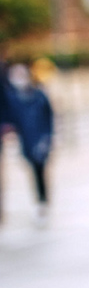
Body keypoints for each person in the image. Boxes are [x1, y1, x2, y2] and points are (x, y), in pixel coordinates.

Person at [5, 62, 54, 221]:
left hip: (41, 140)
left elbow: (49, 118)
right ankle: (41, 202)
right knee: (34, 172)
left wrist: (47, 138)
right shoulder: (13, 99)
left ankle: (42, 202)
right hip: (26, 142)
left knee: (40, 171)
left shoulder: (39, 95)